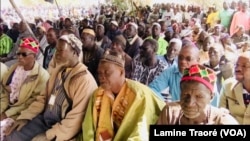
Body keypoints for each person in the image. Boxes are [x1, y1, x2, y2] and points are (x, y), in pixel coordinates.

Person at [5, 34, 98, 141]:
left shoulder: (84, 81)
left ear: (75, 53)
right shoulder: (58, 71)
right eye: (56, 50)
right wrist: (26, 117)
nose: (56, 54)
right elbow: (42, 99)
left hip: (63, 129)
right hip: (44, 120)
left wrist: (48, 136)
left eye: (60, 50)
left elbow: (75, 120)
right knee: (12, 135)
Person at [82, 49, 165, 141]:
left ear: (122, 72)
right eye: (99, 73)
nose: (102, 77)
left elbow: (139, 134)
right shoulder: (98, 94)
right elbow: (88, 127)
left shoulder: (138, 95)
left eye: (107, 73)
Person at [0, 37, 49, 141]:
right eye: (18, 53)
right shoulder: (15, 67)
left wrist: (6, 114)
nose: (20, 57)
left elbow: (31, 103)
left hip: (20, 113)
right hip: (6, 106)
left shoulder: (41, 76)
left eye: (24, 54)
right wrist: (2, 109)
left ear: (34, 56)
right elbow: (4, 89)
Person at [157, 64, 238, 125]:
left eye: (199, 96)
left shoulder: (223, 121)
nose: (189, 103)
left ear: (211, 97)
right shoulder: (171, 113)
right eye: (185, 95)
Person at [219, 52, 250, 124]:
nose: (238, 69)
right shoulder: (228, 86)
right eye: (237, 65)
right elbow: (220, 116)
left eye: (244, 66)